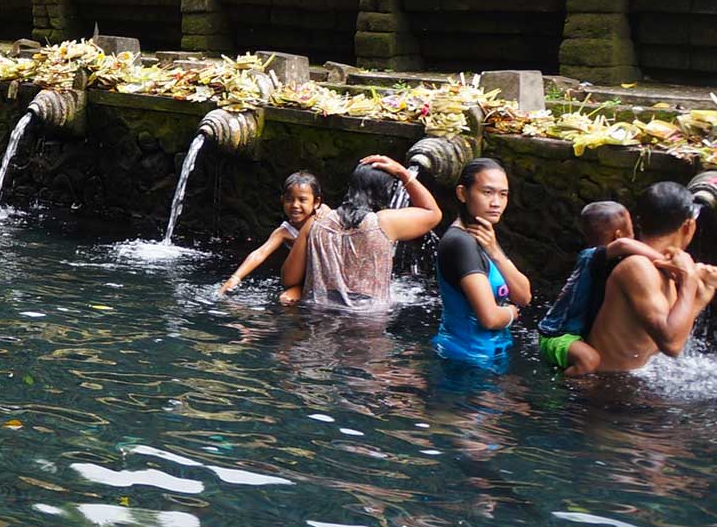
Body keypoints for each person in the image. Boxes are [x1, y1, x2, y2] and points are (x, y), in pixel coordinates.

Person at [581, 181, 717, 374]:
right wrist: (689, 279)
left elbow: (659, 338)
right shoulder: (637, 267)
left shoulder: (662, 266)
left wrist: (700, 298)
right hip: (603, 392)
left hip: (624, 386)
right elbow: (671, 345)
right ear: (688, 226)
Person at [280, 154, 441, 309]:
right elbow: (433, 213)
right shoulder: (384, 223)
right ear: (383, 192)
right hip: (368, 322)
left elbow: (289, 279)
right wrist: (403, 173)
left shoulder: (316, 223)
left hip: (319, 318)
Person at [538, 201, 669, 376]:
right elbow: (624, 245)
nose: (635, 236)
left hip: (577, 333)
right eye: (631, 231)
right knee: (589, 360)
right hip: (556, 334)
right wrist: (668, 263)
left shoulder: (610, 262)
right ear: (619, 235)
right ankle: (566, 387)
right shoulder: (591, 256)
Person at [430, 159, 533, 367]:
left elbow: (523, 296)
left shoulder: (484, 237)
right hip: (466, 361)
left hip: (486, 357)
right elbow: (490, 318)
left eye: (502, 194)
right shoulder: (460, 243)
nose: (496, 202)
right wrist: (510, 313)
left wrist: (495, 251)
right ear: (462, 193)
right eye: (487, 192)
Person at [221, 171, 325, 301]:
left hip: (327, 277)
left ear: (316, 202)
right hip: (305, 281)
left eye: (302, 200)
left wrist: (325, 210)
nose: (295, 205)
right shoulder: (284, 232)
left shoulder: (322, 218)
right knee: (285, 299)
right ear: (282, 200)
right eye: (289, 199)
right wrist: (235, 278)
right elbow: (260, 253)